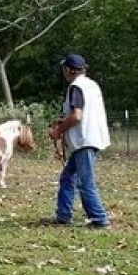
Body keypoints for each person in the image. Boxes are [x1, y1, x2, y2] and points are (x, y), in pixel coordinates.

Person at [44, 53, 112, 228]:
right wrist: (63, 120)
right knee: (68, 177)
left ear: (68, 70)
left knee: (85, 181)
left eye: (63, 69)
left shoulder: (76, 87)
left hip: (84, 140)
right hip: (90, 138)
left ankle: (99, 219)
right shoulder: (92, 85)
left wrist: (58, 131)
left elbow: (77, 116)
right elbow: (84, 114)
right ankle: (63, 215)